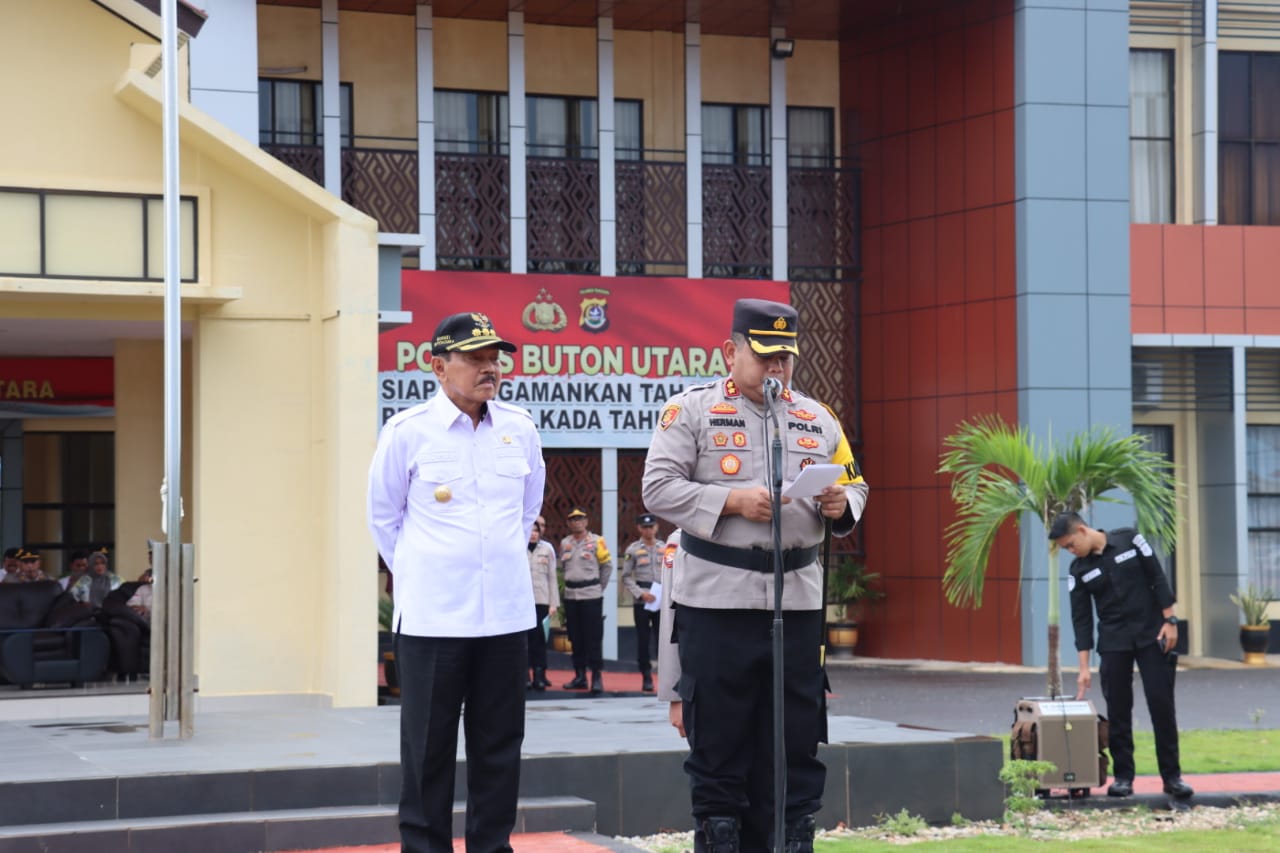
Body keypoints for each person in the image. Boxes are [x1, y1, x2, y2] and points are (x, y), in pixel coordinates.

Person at [643, 298, 869, 853]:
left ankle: (792, 838)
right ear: (731, 351)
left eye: (785, 358)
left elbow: (855, 482)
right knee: (719, 743)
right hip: (717, 602)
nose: (776, 368)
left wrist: (843, 503)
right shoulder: (691, 411)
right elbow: (658, 488)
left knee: (795, 740)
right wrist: (731, 501)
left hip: (796, 602)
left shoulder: (817, 417)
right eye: (765, 356)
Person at [368, 310, 546, 853]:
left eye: (495, 359)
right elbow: (383, 519)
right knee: (428, 751)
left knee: (499, 749)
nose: (490, 368)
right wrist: (430, 572)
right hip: (434, 620)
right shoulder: (408, 431)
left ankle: (492, 847)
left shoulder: (520, 428)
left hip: (505, 618)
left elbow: (527, 512)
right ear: (438, 366)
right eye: (475, 359)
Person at [1050, 511, 1193, 800]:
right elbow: (1081, 620)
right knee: (1118, 710)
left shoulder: (1130, 539)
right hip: (1114, 642)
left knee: (1161, 706)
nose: (1070, 551)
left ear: (1082, 530)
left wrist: (1170, 621)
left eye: (1070, 545)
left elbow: (1157, 577)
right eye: (1065, 548)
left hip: (1152, 635)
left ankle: (1172, 778)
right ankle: (1123, 778)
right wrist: (1083, 668)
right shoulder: (1078, 571)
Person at [559, 506, 613, 694]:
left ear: (586, 521)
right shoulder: (565, 543)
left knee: (593, 637)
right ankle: (580, 676)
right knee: (575, 637)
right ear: (568, 523)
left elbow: (607, 567)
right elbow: (563, 567)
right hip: (571, 595)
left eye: (580, 519)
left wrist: (598, 587)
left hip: (591, 594)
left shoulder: (597, 541)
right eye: (573, 519)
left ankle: (596, 676)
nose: (577, 522)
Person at [620, 512, 665, 692]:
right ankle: (646, 676)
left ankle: (665, 676)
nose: (648, 530)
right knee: (643, 639)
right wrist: (640, 593)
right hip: (643, 599)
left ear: (657, 527)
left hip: (661, 597)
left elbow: (673, 571)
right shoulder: (632, 550)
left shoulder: (665, 548)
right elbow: (626, 577)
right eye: (645, 527)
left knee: (663, 640)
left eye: (651, 527)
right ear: (639, 528)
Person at [526, 515, 559, 691]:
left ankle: (539, 675)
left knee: (539, 640)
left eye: (536, 531)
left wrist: (553, 603)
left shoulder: (547, 549)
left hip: (541, 601)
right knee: (524, 641)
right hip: (523, 603)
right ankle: (524, 675)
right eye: (530, 530)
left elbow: (552, 577)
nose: (533, 534)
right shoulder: (519, 548)